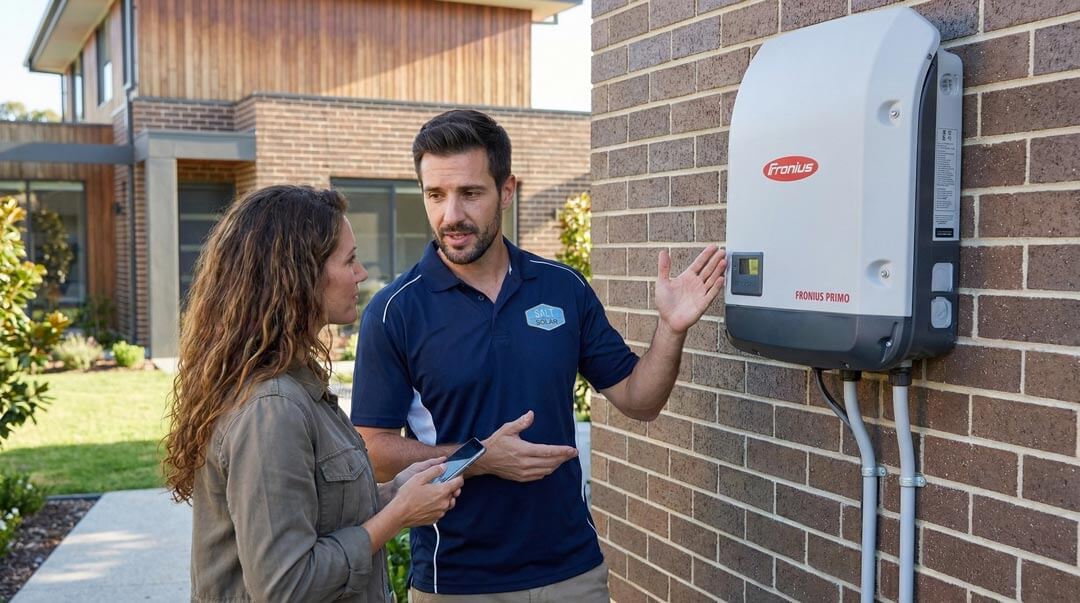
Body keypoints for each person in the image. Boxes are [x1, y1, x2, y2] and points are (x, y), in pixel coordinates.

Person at [351, 110, 727, 601]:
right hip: (457, 581)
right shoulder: (395, 311)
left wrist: (671, 329)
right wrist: (479, 458)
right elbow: (374, 452)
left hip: (572, 572)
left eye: (470, 193)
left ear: (506, 191)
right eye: (435, 195)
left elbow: (640, 400)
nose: (451, 215)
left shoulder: (562, 288)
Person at [163, 185, 464, 602]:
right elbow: (286, 586)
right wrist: (398, 515)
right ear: (298, 276)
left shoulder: (296, 384)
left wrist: (394, 491)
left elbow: (319, 513)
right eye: (349, 260)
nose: (361, 274)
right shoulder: (272, 408)